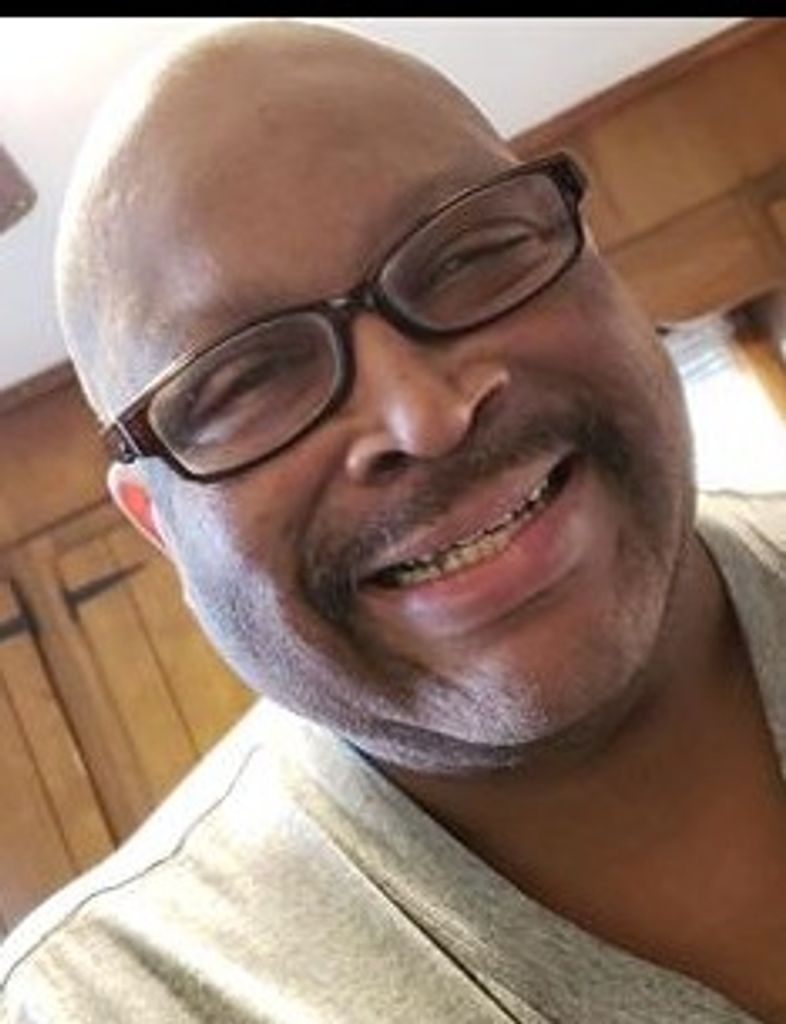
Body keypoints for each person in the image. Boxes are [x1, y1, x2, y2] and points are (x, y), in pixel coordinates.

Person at [2, 17, 785, 1023]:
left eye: (468, 255)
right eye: (247, 380)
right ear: (160, 527)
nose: (424, 415)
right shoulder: (113, 999)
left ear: (595, 259)